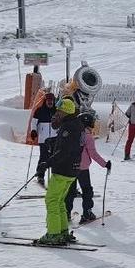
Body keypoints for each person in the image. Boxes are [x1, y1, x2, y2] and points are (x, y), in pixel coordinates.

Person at [36, 98, 83, 247]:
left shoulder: (68, 127)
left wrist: (48, 162)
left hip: (63, 170)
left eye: (59, 111)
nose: (57, 114)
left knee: (51, 200)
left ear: (65, 112)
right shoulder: (74, 125)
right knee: (59, 201)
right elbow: (68, 143)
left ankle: (54, 233)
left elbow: (64, 151)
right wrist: (54, 140)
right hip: (72, 170)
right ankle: (62, 231)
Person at [65, 112, 110, 225]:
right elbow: (93, 154)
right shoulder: (88, 137)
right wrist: (105, 164)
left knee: (70, 191)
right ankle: (87, 212)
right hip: (83, 168)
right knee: (86, 190)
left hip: (71, 166)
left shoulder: (73, 133)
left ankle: (66, 213)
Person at [32, 92, 57, 184]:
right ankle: (40, 175)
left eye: (51, 101)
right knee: (43, 157)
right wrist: (33, 131)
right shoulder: (39, 110)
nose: (50, 102)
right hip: (43, 138)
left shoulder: (57, 110)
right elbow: (34, 122)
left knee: (55, 157)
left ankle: (55, 176)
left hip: (55, 138)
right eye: (48, 101)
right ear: (45, 101)